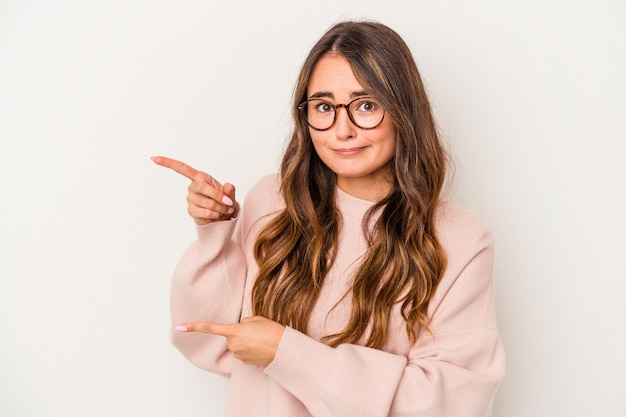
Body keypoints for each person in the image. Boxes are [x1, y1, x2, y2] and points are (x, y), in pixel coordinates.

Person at [152, 20, 505, 417]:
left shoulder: (460, 238)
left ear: (403, 110)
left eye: (366, 106)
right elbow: (212, 344)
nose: (342, 130)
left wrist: (289, 354)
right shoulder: (272, 202)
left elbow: (451, 402)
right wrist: (214, 236)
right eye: (323, 107)